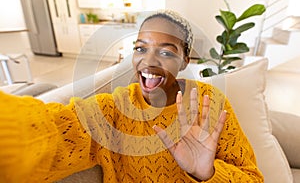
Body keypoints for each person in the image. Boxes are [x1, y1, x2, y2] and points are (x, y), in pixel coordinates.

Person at [0, 10, 263, 182]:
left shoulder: (210, 102)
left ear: (185, 60)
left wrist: (207, 173)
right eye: (140, 48)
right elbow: (49, 132)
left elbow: (252, 178)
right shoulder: (113, 109)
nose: (148, 61)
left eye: (166, 52)